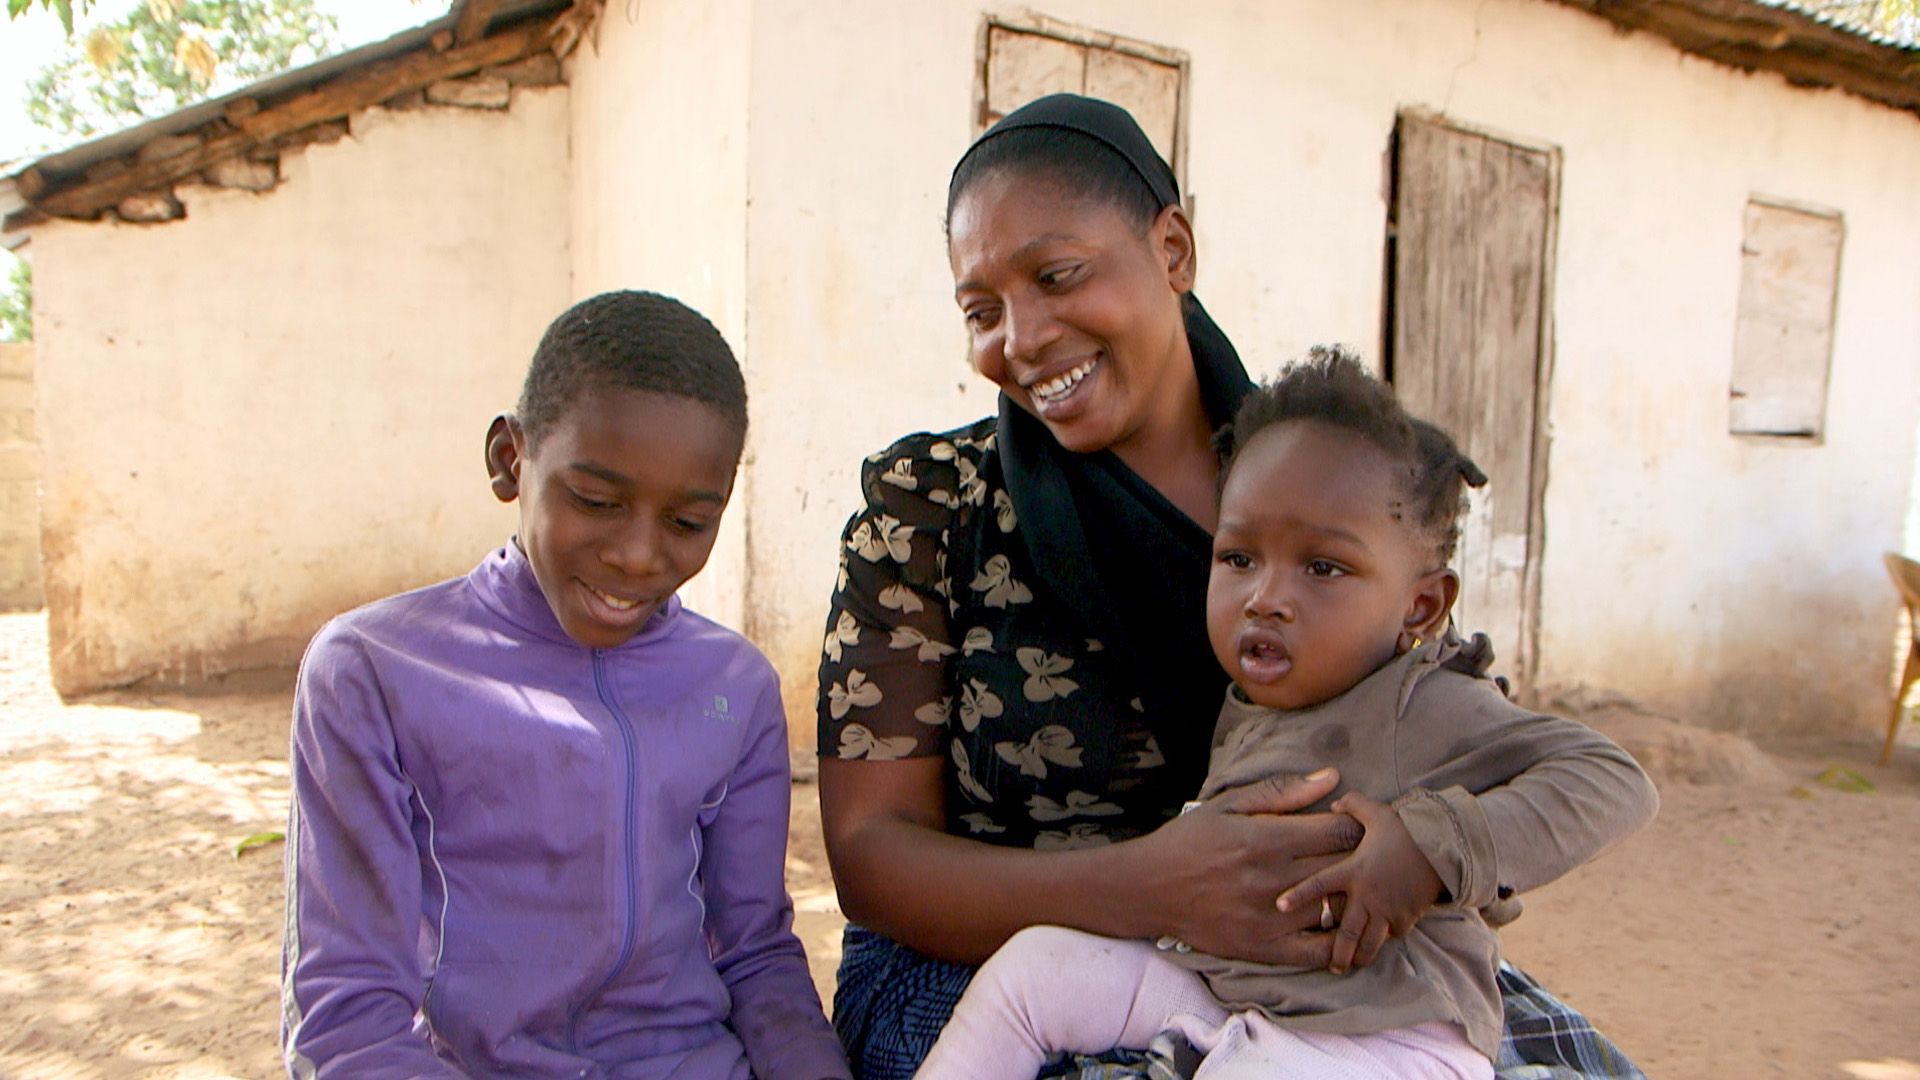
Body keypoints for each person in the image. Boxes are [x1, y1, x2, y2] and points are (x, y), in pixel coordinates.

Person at [815, 93, 1650, 1080]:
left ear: (1173, 249)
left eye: (1056, 274)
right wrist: (1147, 887)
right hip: (984, 965)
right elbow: (873, 857)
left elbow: (1457, 745)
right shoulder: (930, 506)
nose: (1023, 336)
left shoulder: (1323, 493)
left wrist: (1425, 851)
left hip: (1304, 970)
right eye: (981, 310)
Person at [915, 350, 1660, 1080]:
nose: (1265, 596)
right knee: (1033, 971)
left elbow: (1613, 779)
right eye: (1239, 558)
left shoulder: (1422, 701)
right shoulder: (1257, 697)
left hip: (1384, 1038)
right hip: (1238, 995)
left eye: (1323, 568)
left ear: (1421, 604)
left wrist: (1431, 848)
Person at [282, 291, 850, 1079]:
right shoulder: (375, 673)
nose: (638, 555)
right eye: (595, 501)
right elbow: (348, 1017)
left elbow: (754, 955)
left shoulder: (733, 688)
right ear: (510, 460)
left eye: (688, 522)